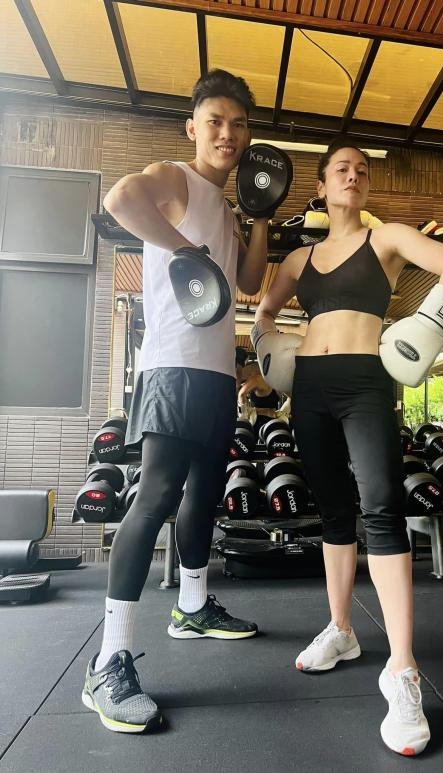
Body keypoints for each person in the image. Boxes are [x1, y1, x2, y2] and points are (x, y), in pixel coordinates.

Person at [252, 137, 443, 756]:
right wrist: (270, 350)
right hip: (311, 387)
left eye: (362, 170)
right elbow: (263, 311)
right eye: (341, 169)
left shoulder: (388, 239)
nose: (353, 176)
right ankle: (342, 629)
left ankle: (402, 669)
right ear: (321, 187)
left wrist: (428, 326)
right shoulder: (299, 259)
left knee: (381, 509)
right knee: (333, 513)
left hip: (366, 383)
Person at [82, 69, 271, 734]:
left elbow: (249, 281)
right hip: (172, 366)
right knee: (157, 496)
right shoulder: (174, 178)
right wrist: (188, 249)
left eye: (238, 124)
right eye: (215, 121)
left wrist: (261, 217)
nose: (227, 133)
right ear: (193, 127)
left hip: (216, 374)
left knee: (204, 495)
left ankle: (192, 606)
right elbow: (120, 198)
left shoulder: (224, 206)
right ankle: (107, 662)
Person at [237, 360, 281, 434]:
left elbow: (241, 394)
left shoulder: (257, 378)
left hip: (260, 422)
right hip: (273, 420)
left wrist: (244, 416)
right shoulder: (271, 379)